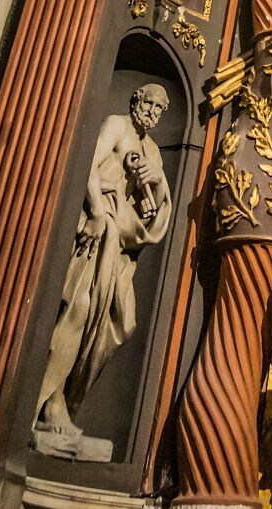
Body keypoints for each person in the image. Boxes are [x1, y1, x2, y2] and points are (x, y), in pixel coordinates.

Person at [33, 85, 171, 460]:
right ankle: (45, 404)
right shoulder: (116, 125)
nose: (154, 113)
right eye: (150, 104)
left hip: (119, 247)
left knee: (122, 323)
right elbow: (87, 165)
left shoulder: (154, 151)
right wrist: (95, 208)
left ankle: (64, 397)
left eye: (161, 110)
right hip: (92, 231)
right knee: (78, 305)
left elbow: (155, 211)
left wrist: (154, 181)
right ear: (135, 100)